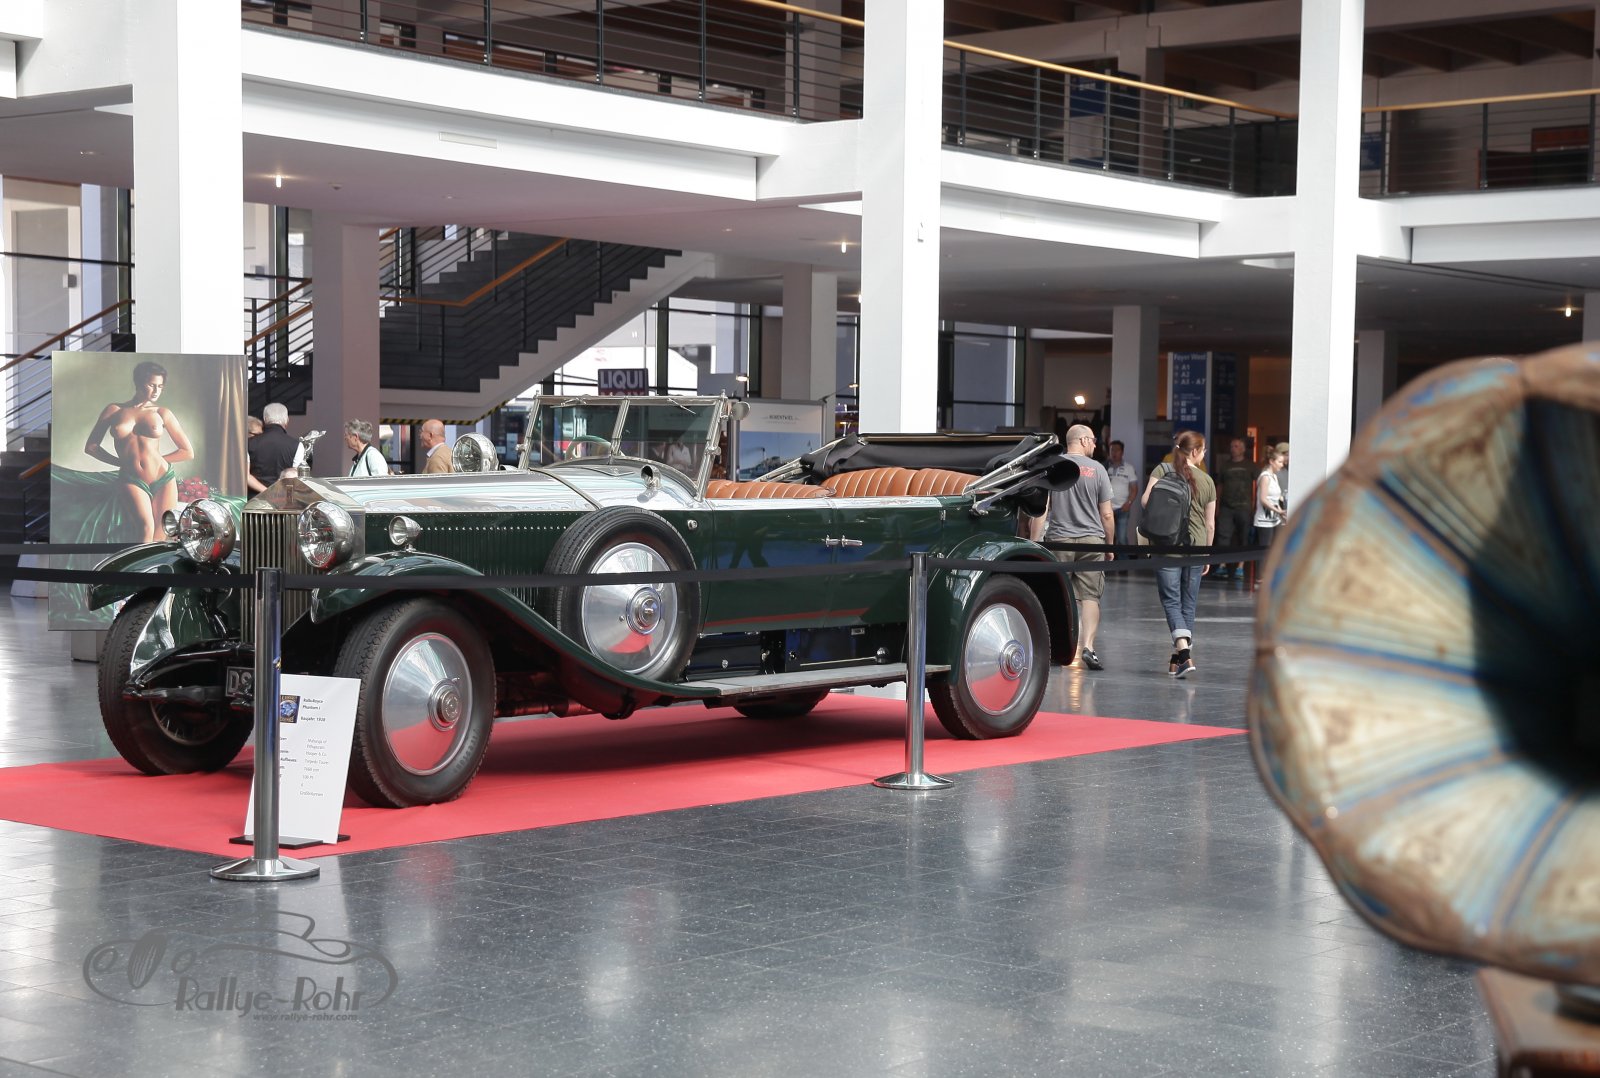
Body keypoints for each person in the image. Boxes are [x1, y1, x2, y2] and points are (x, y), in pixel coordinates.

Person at [83, 360, 193, 544]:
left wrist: (157, 460)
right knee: (145, 528)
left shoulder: (162, 412)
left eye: (160, 386)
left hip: (163, 478)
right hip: (131, 478)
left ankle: (154, 564)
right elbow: (91, 447)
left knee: (161, 533)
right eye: (151, 385)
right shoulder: (114, 410)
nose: (156, 391)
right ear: (139, 382)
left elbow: (187, 451)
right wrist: (120, 462)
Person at [1035, 424, 1115, 671]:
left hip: (1060, 541)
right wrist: (1110, 545)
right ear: (1082, 440)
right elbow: (1107, 514)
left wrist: (1035, 541)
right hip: (1092, 542)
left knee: (1057, 595)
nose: (1095, 444)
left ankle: (1054, 647)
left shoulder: (1054, 466)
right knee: (1091, 597)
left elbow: (1042, 509)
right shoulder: (1098, 470)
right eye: (1093, 440)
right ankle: (1088, 647)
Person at [1141, 431, 1216, 678]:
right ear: (1195, 452)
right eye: (1203, 450)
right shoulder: (1207, 481)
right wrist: (1207, 554)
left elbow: (1145, 501)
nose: (1204, 454)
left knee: (1171, 601)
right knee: (1188, 603)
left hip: (1166, 544)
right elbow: (1210, 524)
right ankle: (1178, 659)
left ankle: (1182, 654)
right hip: (1196, 547)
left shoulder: (1162, 470)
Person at [1214, 437, 1256, 579]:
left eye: (1236, 446)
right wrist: (1217, 505)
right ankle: (1222, 566)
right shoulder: (1225, 466)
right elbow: (1220, 486)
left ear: (1243, 449)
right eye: (1232, 446)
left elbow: (1258, 484)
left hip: (1244, 507)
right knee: (1223, 536)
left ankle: (1240, 567)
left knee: (1244, 537)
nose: (1233, 449)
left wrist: (1255, 505)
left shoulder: (1250, 466)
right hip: (1226, 507)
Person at [248, 403, 298, 492]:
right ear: (287, 420)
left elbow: (245, 475)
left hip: (254, 497)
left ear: (264, 419)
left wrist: (267, 492)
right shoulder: (297, 445)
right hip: (283, 496)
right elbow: (295, 477)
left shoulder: (249, 443)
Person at [1104, 439, 1138, 548]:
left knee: (1121, 538)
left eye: (1117, 450)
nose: (1114, 453)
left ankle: (1124, 559)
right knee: (1107, 538)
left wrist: (1129, 503)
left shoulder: (1129, 468)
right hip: (1107, 509)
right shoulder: (1104, 467)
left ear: (1122, 452)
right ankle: (1108, 558)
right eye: (1112, 450)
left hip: (1122, 508)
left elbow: (1134, 489)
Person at [1255, 444, 1289, 550]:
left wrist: (1282, 512)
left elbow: (1276, 499)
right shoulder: (1265, 477)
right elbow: (1263, 499)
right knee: (1264, 551)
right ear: (1271, 461)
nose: (1282, 465)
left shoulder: (1274, 476)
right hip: (1264, 520)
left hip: (1275, 519)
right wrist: (1279, 511)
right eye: (1279, 462)